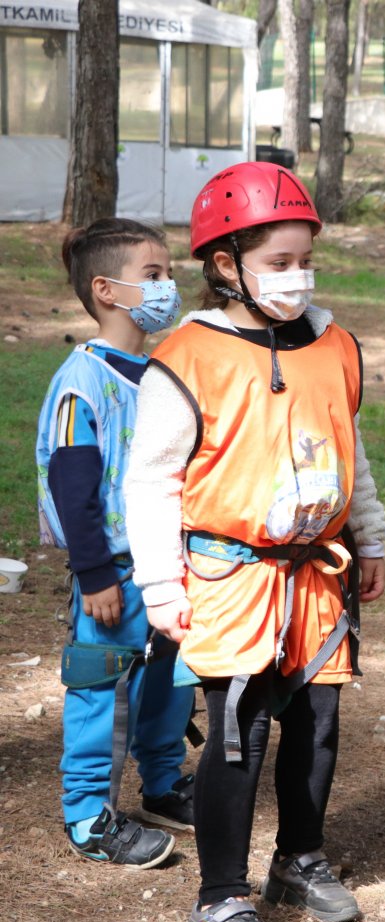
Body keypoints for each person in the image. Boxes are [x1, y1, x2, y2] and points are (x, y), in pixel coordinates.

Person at [123, 162, 385, 922]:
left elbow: (349, 449)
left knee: (317, 725)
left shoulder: (335, 345)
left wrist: (370, 535)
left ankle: (298, 857)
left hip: (317, 577)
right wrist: (160, 584)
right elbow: (151, 480)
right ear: (226, 264)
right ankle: (219, 903)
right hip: (230, 578)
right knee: (239, 732)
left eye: (306, 259)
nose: (297, 276)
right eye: (279, 262)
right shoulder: (188, 357)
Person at [36, 218, 195, 869]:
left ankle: (162, 784)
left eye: (168, 274)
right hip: (113, 577)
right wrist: (96, 573)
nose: (168, 287)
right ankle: (88, 815)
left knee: (169, 684)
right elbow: (72, 485)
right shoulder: (83, 380)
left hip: (167, 569)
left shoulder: (162, 373)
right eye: (153, 275)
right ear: (106, 289)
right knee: (99, 690)